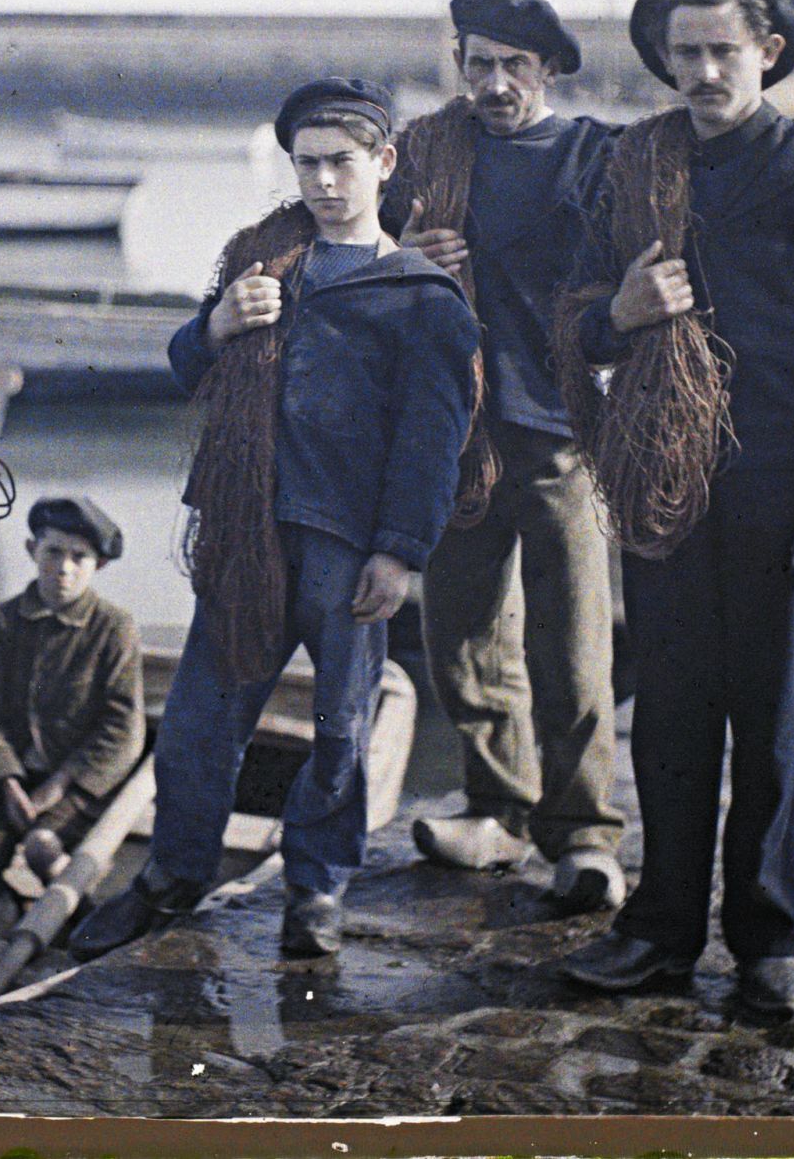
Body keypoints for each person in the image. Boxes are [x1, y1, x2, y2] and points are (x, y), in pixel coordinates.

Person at [552, 0, 794, 1019]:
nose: (700, 71)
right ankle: (657, 931)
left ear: (768, 53)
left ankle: (764, 942)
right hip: (665, 489)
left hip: (781, 490)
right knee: (667, 721)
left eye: (721, 50)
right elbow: (567, 320)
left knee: (769, 721)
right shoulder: (628, 171)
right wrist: (620, 311)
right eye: (682, 51)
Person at [70, 78, 480, 961]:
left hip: (345, 548)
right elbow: (186, 366)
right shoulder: (265, 266)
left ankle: (317, 886)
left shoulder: (422, 297)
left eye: (343, 162)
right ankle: (172, 875)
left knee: (340, 728)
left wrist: (401, 552)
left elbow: (431, 441)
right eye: (308, 164)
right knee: (197, 723)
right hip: (246, 535)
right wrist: (216, 322)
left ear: (385, 162)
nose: (326, 182)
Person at [385, 0, 626, 912]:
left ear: (549, 69)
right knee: (465, 629)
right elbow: (359, 247)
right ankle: (498, 808)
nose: (494, 83)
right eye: (477, 63)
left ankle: (585, 834)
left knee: (572, 642)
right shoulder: (429, 158)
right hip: (457, 429)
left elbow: (623, 285)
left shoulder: (591, 155)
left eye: (514, 65)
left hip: (557, 429)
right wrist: (404, 253)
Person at [0, 495, 146, 934]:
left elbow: (123, 729)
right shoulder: (1, 621)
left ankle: (84, 924)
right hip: (5, 780)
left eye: (80, 557)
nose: (64, 568)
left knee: (43, 848)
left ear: (99, 565)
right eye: (54, 552)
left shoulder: (114, 628)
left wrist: (60, 784)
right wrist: (8, 780)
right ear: (33, 550)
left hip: (78, 782)